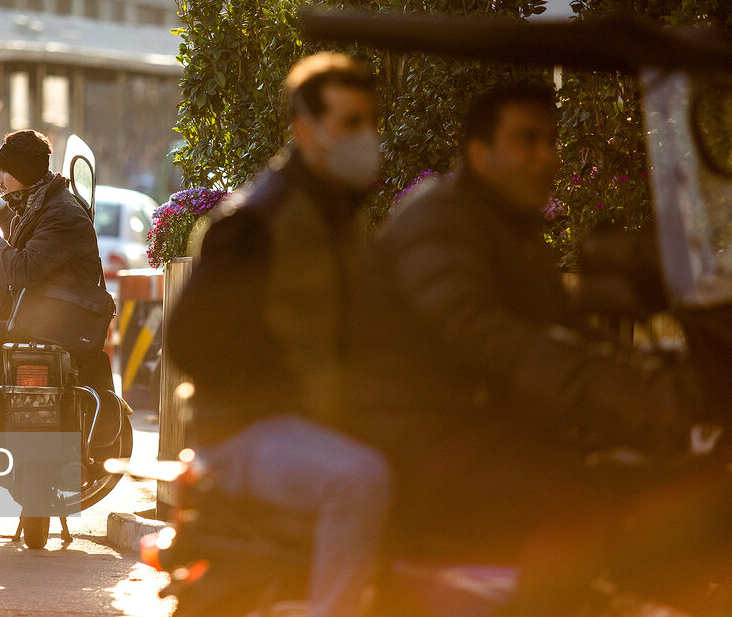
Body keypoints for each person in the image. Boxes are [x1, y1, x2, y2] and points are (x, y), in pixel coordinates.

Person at [360, 81, 732, 611]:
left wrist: (654, 365)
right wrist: (622, 388)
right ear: (479, 153)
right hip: (422, 431)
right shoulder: (438, 220)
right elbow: (486, 333)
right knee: (581, 499)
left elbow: (558, 325)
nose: (545, 157)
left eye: (551, 140)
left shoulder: (510, 225)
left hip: (485, 420)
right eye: (526, 140)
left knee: (662, 479)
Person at [165, 52, 393, 617]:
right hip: (244, 430)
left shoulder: (337, 212)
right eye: (349, 123)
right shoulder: (257, 220)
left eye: (370, 121)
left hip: (309, 420)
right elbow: (189, 336)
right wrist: (280, 387)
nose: (365, 136)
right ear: (303, 130)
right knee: (361, 481)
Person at [0, 129, 103, 441]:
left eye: (3, 171)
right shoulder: (31, 211)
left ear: (23, 172)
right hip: (36, 317)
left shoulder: (60, 213)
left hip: (62, 323)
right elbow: (5, 283)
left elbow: (23, 272)